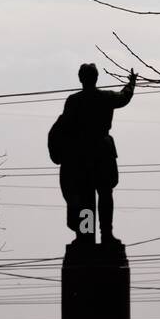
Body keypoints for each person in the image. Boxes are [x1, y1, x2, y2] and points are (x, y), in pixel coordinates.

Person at [59, 64, 136, 244]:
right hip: (103, 152)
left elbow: (64, 128)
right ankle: (106, 234)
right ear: (96, 78)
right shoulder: (106, 97)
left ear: (81, 79)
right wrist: (132, 83)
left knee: (86, 196)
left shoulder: (73, 101)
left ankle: (86, 236)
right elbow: (125, 97)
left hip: (82, 155)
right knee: (105, 193)